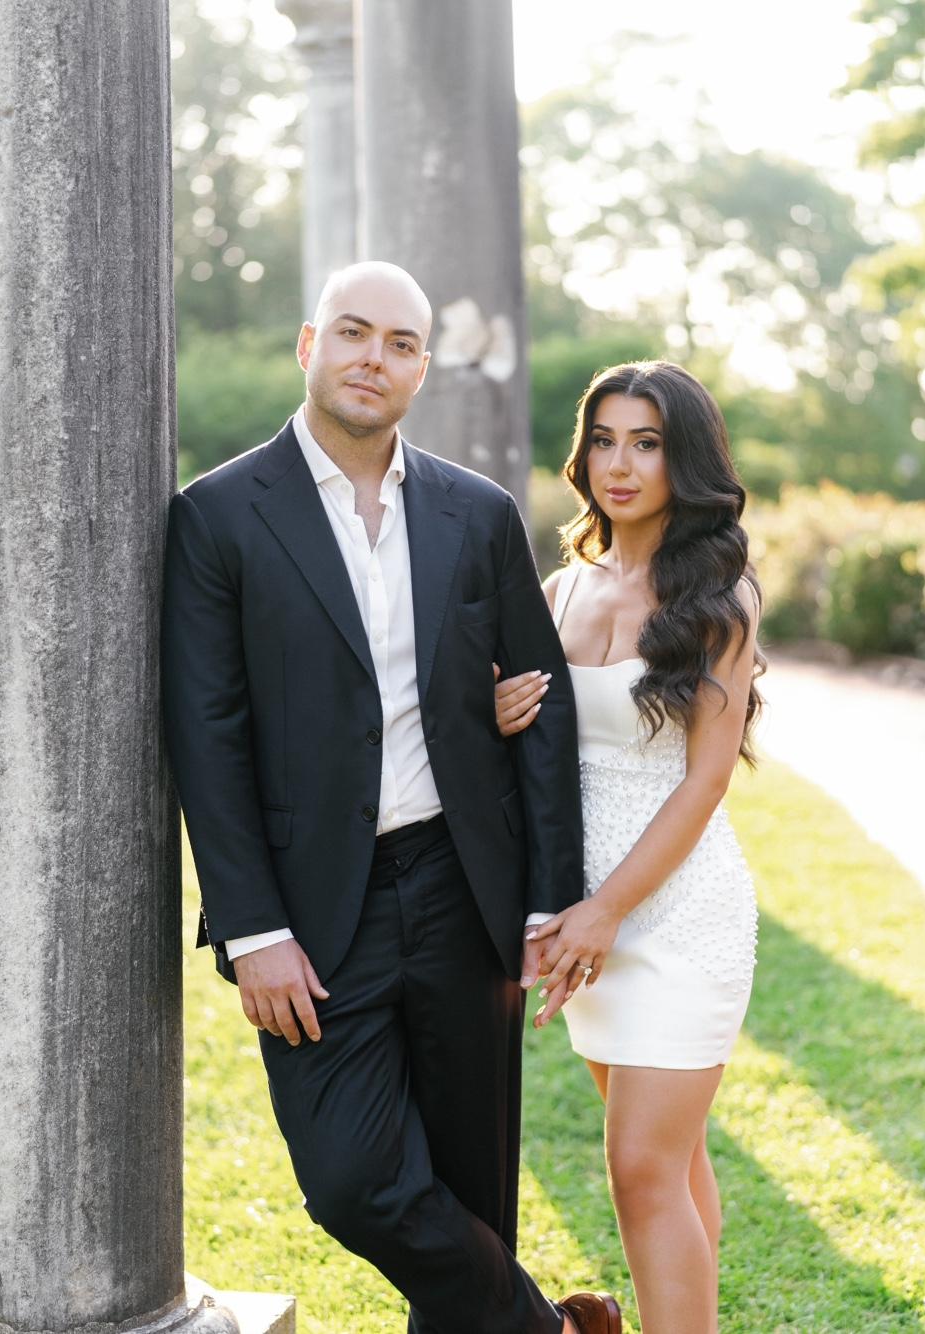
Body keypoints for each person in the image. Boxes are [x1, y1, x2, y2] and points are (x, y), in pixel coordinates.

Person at [161, 260, 622, 1334]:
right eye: (353, 332)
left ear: (422, 369)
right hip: (315, 912)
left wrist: (546, 898)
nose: (375, 357)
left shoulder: (477, 513)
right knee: (353, 1179)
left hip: (465, 887)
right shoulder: (218, 516)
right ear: (308, 345)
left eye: (400, 343)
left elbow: (540, 703)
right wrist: (254, 929)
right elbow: (205, 738)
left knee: (469, 1187)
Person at [496, 360, 763, 1334]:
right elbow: (534, 751)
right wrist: (498, 712)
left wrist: (607, 911)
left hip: (676, 915)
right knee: (675, 1165)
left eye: (645, 443)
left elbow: (705, 779)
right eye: (603, 440)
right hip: (583, 922)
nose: (619, 463)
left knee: (642, 1169)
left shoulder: (720, 597)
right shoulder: (560, 589)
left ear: (682, 458)